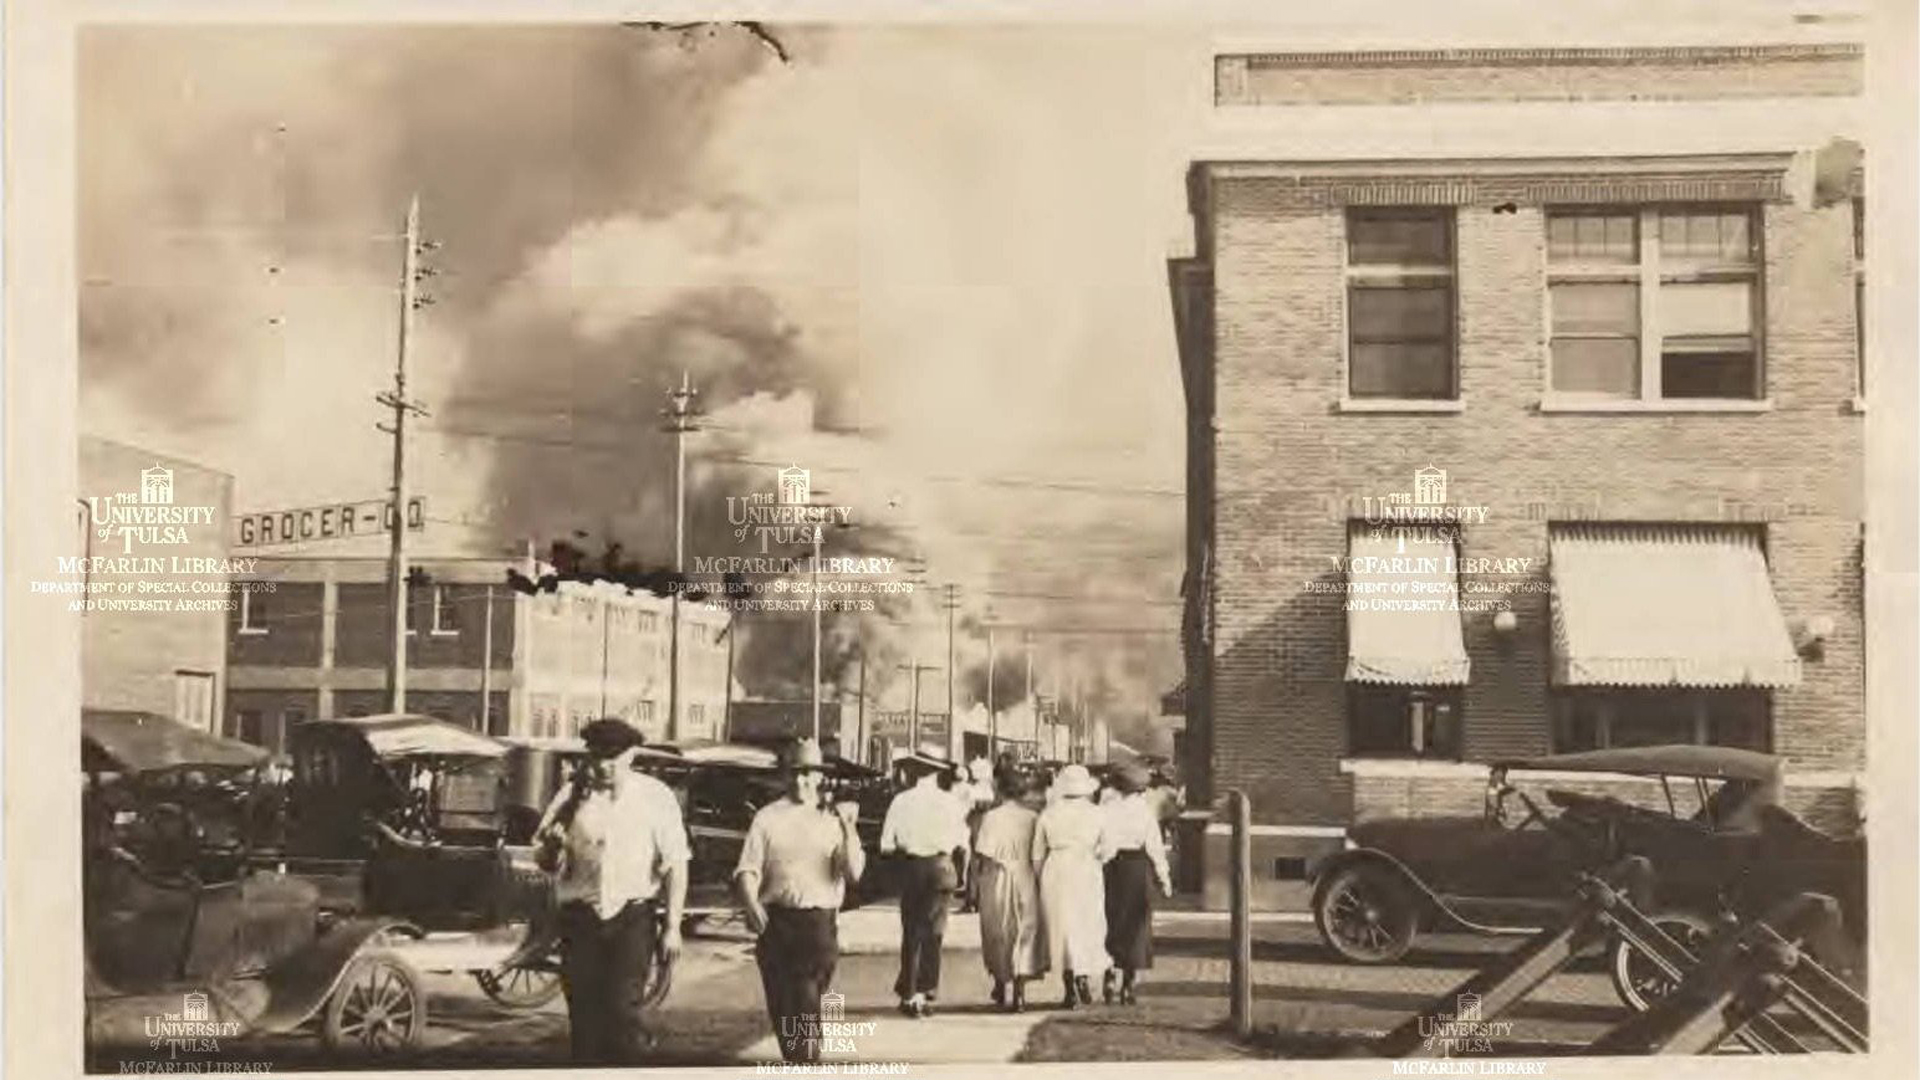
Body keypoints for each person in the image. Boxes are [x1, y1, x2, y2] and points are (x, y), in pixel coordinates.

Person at [533, 718, 688, 1065]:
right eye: (597, 757)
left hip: (631, 919)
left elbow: (677, 863)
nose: (604, 766)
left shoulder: (655, 797)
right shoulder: (570, 798)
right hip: (580, 920)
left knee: (622, 1012)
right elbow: (545, 861)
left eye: (613, 758)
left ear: (632, 755)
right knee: (584, 1018)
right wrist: (553, 848)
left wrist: (674, 927)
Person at [733, 738, 866, 1064]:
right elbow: (747, 869)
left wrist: (849, 829)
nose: (799, 781)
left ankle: (806, 1061)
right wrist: (751, 903)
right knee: (782, 1009)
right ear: (784, 776)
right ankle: (800, 1058)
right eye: (793, 773)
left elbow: (853, 873)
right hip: (776, 924)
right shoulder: (766, 818)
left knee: (805, 1006)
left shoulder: (833, 818)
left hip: (817, 925)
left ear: (820, 777)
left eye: (807, 773)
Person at [879, 753, 968, 1017]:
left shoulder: (900, 801)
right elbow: (962, 842)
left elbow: (886, 844)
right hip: (942, 869)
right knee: (935, 933)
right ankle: (924, 991)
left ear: (911, 773)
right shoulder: (951, 803)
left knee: (912, 932)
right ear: (937, 773)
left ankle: (910, 993)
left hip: (913, 868)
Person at [1032, 762, 1112, 1008]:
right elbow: (1108, 850)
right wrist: (1096, 856)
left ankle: (1069, 987)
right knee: (1088, 924)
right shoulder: (1098, 813)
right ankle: (1083, 976)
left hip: (1056, 869)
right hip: (1086, 868)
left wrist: (1040, 876)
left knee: (1062, 927)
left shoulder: (1048, 814)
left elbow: (1037, 854)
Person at [973, 771, 1048, 1011]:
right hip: (1025, 875)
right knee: (1025, 930)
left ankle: (1000, 981)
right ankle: (1020, 990)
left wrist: (976, 883)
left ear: (1000, 790)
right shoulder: (1033, 817)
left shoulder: (990, 818)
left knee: (998, 930)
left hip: (997, 875)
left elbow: (982, 852)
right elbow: (1038, 853)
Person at [1100, 762, 1173, 1005]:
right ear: (1140, 789)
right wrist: (1164, 878)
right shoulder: (1144, 813)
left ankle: (1109, 974)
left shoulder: (1106, 810)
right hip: (1137, 868)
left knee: (1110, 920)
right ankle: (1128, 985)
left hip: (1111, 867)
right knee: (1136, 926)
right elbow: (1155, 848)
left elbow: (1102, 843)